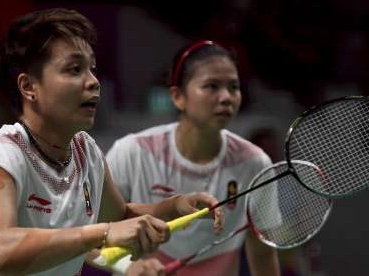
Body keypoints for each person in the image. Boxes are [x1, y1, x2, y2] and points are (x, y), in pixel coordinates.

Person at [0, 9, 223, 276]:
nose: (93, 82)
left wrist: (175, 206)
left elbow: (118, 217)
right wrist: (100, 233)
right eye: (74, 69)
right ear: (29, 87)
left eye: (92, 68)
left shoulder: (84, 152)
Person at [106, 40, 281, 276]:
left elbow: (262, 252)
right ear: (178, 96)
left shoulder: (254, 163)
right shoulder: (132, 153)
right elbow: (97, 233)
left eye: (233, 87)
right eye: (211, 86)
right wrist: (129, 265)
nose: (226, 97)